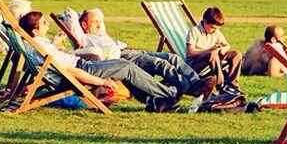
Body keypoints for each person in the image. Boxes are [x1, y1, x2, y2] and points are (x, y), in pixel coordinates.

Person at [18, 11, 183, 111]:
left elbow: (55, 58)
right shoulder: (41, 46)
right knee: (126, 67)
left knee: (123, 67)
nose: (47, 24)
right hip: (82, 70)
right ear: (35, 30)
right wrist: (102, 82)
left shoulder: (34, 44)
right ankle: (168, 94)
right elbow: (71, 71)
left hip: (79, 65)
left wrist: (54, 44)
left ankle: (154, 100)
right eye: (43, 23)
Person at [64, 7, 214, 98]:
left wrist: (92, 16)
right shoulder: (84, 38)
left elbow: (97, 13)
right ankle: (192, 88)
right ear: (83, 24)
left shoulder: (101, 33)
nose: (99, 24)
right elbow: (70, 17)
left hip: (130, 51)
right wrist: (73, 15)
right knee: (160, 64)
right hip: (119, 57)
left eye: (99, 22)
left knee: (172, 57)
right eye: (94, 22)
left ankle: (197, 83)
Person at [185, 7, 241, 92]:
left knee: (236, 54)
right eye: (212, 27)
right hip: (195, 64)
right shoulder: (194, 31)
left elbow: (227, 45)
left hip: (213, 60)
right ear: (205, 21)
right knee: (212, 54)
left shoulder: (215, 32)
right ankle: (220, 85)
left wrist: (223, 49)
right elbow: (190, 52)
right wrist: (209, 50)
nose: (214, 30)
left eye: (216, 29)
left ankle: (233, 85)